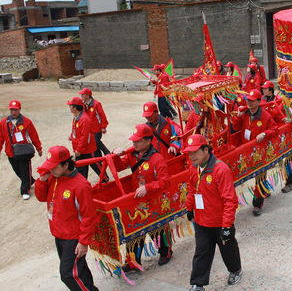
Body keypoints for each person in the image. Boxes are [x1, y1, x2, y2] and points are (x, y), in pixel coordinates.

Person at [34, 145, 99, 291]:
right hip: (59, 233)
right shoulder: (53, 177)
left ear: (66, 164)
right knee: (79, 270)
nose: (51, 169)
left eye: (54, 167)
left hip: (73, 237)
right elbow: (41, 197)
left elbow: (89, 216)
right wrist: (42, 180)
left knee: (68, 274)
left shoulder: (81, 185)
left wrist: (83, 242)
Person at [184, 134, 242, 291]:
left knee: (228, 249)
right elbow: (191, 190)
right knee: (202, 252)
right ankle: (198, 284)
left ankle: (235, 270)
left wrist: (227, 225)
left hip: (220, 221)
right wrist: (189, 208)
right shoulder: (193, 169)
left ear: (205, 150)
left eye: (194, 152)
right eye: (189, 153)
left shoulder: (221, 169)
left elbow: (230, 200)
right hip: (201, 220)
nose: (191, 156)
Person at [114, 124, 172, 268]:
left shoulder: (157, 159)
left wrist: (148, 187)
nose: (134, 143)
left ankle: (166, 251)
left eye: (138, 141)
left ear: (148, 141)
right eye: (134, 141)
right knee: (135, 230)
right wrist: (116, 156)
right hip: (138, 200)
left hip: (153, 199)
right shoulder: (132, 155)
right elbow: (119, 167)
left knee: (156, 229)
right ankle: (133, 261)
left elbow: (165, 181)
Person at [231, 89, 277, 215]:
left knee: (260, 177)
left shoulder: (265, 116)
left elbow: (274, 130)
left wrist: (264, 133)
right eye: (248, 101)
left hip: (259, 152)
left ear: (258, 101)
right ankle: (265, 191)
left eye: (252, 101)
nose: (249, 103)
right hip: (245, 150)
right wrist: (236, 117)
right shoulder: (244, 113)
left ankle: (257, 204)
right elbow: (235, 128)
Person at [0, 100, 42, 200]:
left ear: (20, 109)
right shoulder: (3, 123)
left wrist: (39, 148)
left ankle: (25, 190)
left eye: (16, 110)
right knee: (18, 171)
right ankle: (29, 180)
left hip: (24, 152)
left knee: (24, 170)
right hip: (11, 152)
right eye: (12, 110)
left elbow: (34, 136)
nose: (14, 112)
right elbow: (0, 137)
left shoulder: (27, 122)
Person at [67, 97, 101, 179]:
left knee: (95, 164)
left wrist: (79, 149)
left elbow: (84, 137)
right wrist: (72, 136)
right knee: (81, 168)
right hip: (79, 148)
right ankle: (83, 182)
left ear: (75, 107)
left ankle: (104, 178)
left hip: (87, 148)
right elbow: (75, 130)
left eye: (70, 106)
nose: (69, 108)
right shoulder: (76, 116)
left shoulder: (84, 119)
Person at [78, 88, 110, 156]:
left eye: (82, 95)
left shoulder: (96, 104)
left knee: (96, 142)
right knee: (93, 145)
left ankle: (107, 153)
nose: (81, 96)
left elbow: (102, 116)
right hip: (89, 130)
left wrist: (103, 127)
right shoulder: (83, 104)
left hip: (97, 129)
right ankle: (99, 159)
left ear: (87, 95)